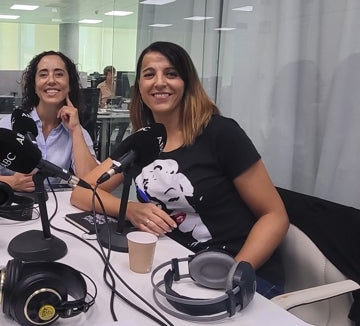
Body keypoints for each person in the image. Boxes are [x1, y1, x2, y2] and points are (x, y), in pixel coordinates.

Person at [71, 41, 289, 299]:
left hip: (239, 272)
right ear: (139, 87)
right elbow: (82, 193)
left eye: (171, 74)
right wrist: (131, 210)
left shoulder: (220, 133)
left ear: (187, 83)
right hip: (176, 266)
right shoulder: (143, 141)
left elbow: (275, 216)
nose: (160, 82)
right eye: (149, 74)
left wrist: (237, 272)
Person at [0, 50, 98, 192]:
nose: (51, 80)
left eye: (59, 74)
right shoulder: (12, 123)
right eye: (43, 74)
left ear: (69, 85)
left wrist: (75, 129)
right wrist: (11, 182)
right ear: (34, 86)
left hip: (55, 209)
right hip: (15, 206)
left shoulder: (76, 131)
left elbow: (91, 183)